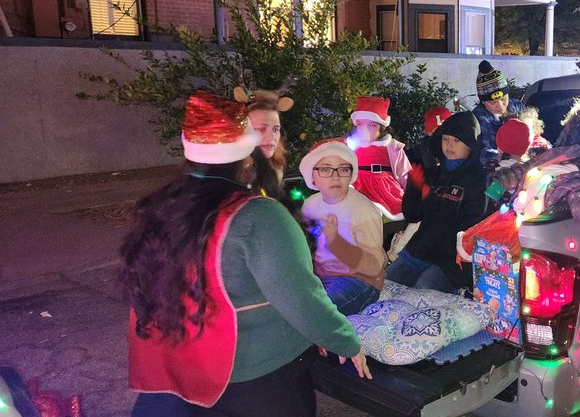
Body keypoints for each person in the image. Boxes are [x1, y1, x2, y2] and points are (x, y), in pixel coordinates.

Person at [122, 90, 370, 417]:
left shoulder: (161, 206)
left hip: (183, 360)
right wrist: (346, 341)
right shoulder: (258, 216)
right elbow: (301, 299)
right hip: (258, 376)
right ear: (247, 155)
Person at [458, 146, 580, 264]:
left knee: (495, 282)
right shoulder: (571, 153)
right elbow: (528, 167)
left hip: (523, 238)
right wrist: (498, 182)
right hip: (505, 215)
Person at [386, 111, 490, 293]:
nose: (449, 145)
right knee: (387, 286)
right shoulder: (433, 174)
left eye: (457, 141)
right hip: (419, 251)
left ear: (471, 144)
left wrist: (437, 202)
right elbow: (413, 215)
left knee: (422, 291)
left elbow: (471, 226)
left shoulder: (479, 180)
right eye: (445, 139)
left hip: (449, 262)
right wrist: (415, 188)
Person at [299, 139, 388, 316]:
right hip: (320, 276)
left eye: (343, 169)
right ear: (312, 176)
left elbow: (374, 266)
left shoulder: (363, 210)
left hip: (359, 280)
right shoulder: (310, 205)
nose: (335, 176)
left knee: (317, 313)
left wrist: (336, 243)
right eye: (325, 169)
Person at [347, 96, 411, 220]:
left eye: (372, 125)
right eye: (360, 124)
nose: (365, 129)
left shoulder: (392, 147)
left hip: (385, 190)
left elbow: (404, 174)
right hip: (357, 188)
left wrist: (412, 197)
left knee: (388, 219)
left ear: (381, 127)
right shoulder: (350, 146)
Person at [236, 85, 293, 201]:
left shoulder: (275, 168)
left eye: (276, 129)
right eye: (262, 129)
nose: (272, 136)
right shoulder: (229, 174)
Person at [472, 60, 525, 165]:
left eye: (504, 99)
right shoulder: (479, 119)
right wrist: (510, 158)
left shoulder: (517, 106)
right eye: (493, 102)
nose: (500, 106)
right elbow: (483, 154)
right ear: (483, 101)